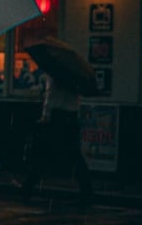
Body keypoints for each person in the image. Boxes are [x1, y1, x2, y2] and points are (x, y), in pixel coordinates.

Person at [20, 73, 92, 207]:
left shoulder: (54, 76)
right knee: (75, 156)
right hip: (72, 117)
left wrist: (45, 117)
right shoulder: (75, 77)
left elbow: (50, 98)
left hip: (57, 117)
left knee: (44, 154)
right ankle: (87, 191)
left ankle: (28, 188)